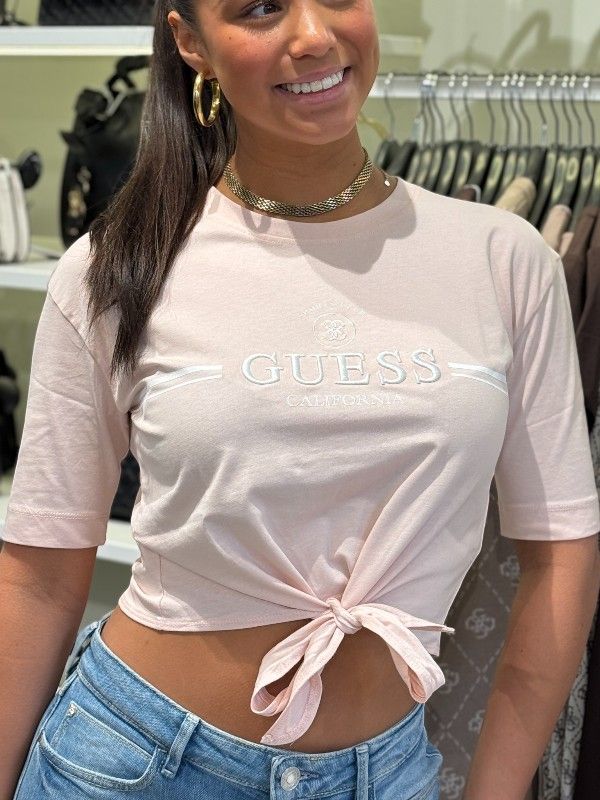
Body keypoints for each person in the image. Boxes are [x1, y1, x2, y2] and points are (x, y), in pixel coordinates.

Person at [1, 1, 599, 799]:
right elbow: (40, 577)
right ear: (190, 42)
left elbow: (561, 553)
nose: (314, 35)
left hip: (387, 774)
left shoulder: (505, 260)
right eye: (260, 7)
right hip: (133, 763)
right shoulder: (116, 267)